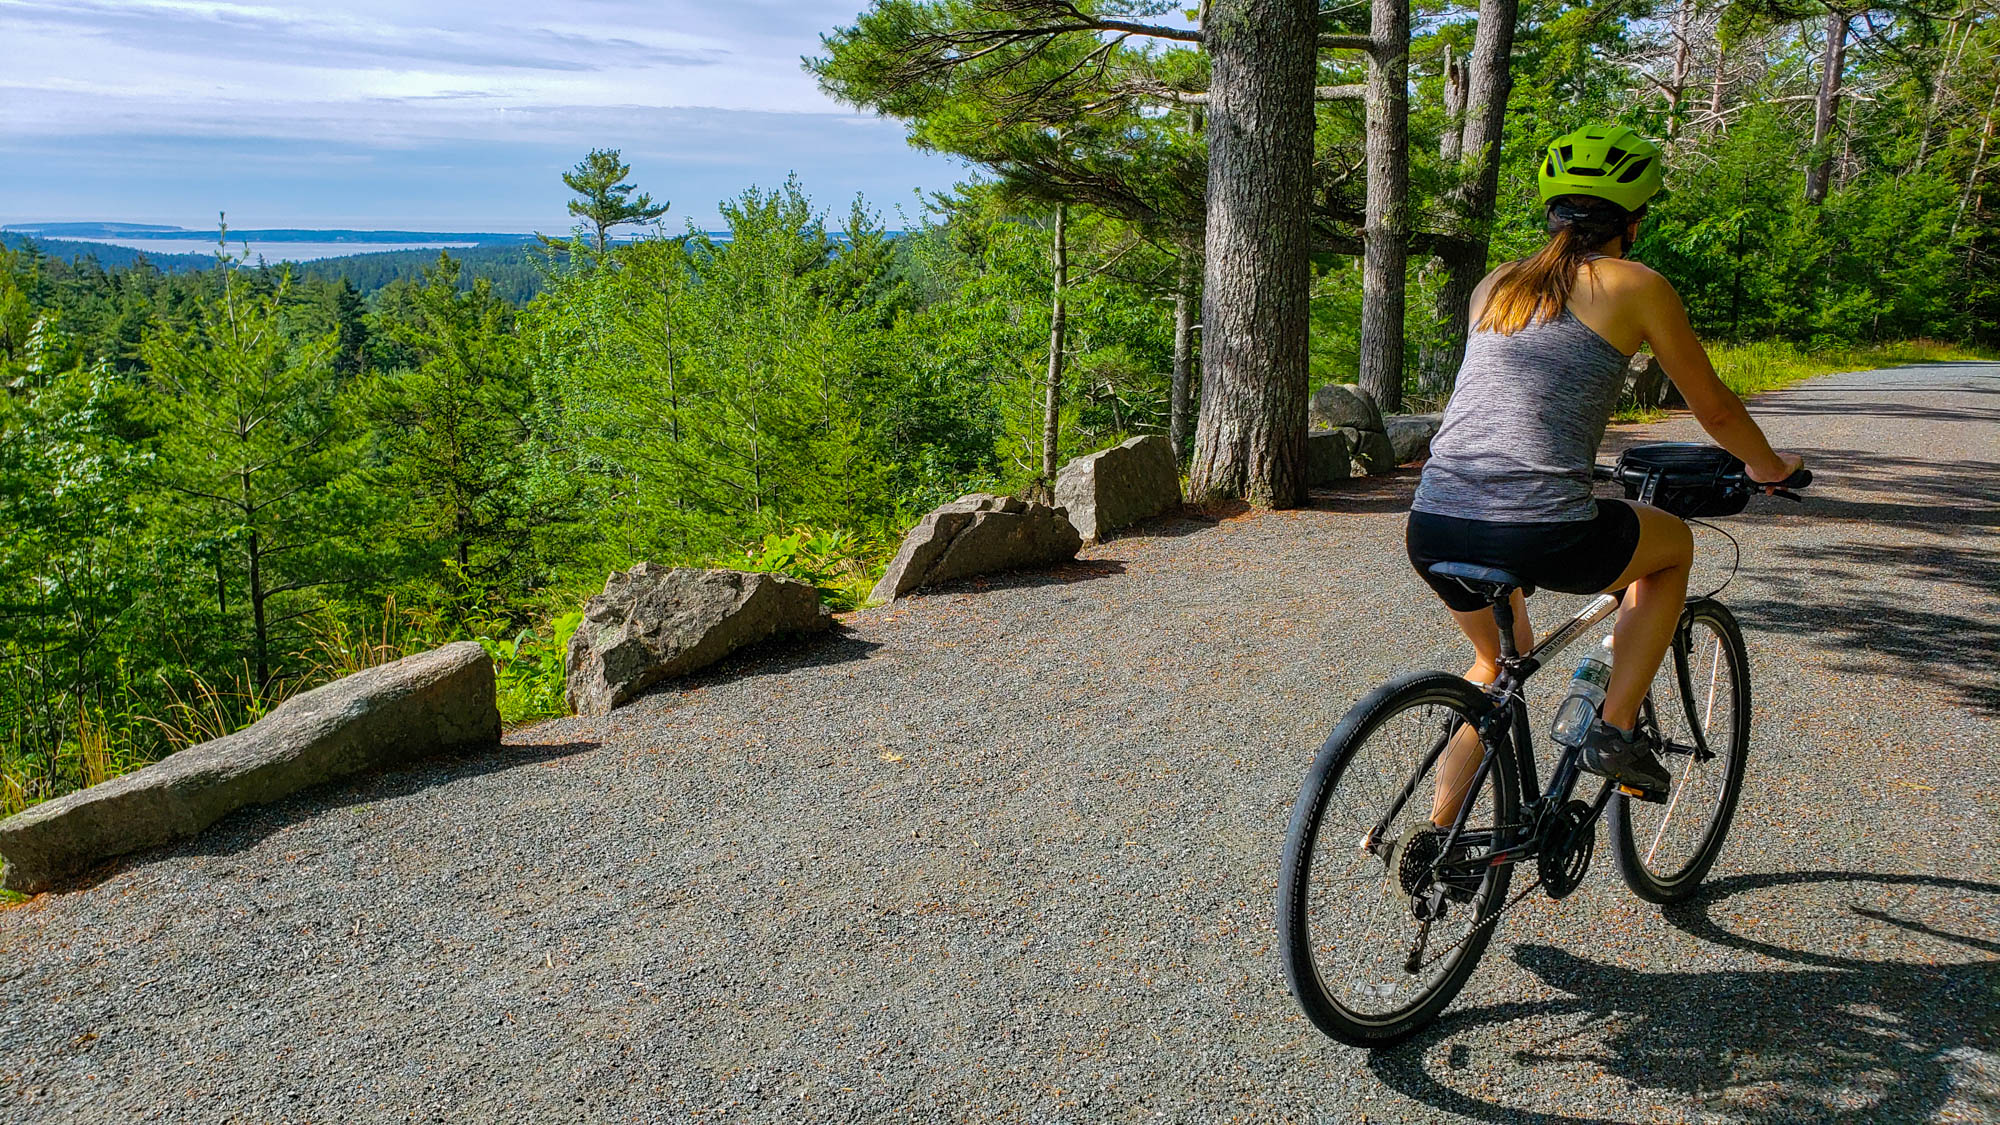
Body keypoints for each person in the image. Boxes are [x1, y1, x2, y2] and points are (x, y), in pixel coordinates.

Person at [1407, 124, 1802, 820]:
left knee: (1497, 667)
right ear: (1635, 220)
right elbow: (1712, 406)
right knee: (1673, 545)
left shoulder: (1496, 284)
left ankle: (1441, 839)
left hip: (1434, 518)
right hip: (1542, 529)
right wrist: (1770, 466)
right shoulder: (1637, 284)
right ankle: (1615, 731)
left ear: (1553, 211)